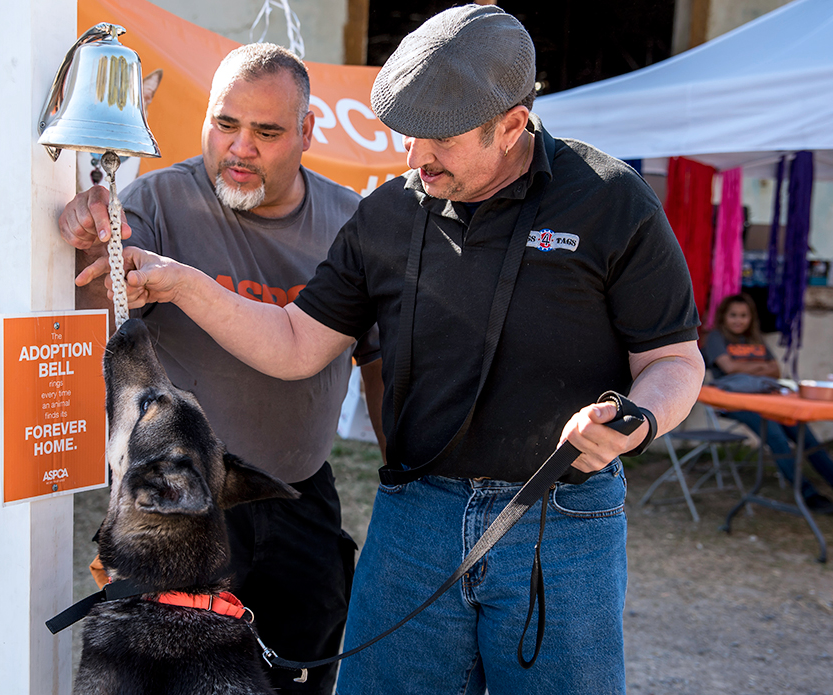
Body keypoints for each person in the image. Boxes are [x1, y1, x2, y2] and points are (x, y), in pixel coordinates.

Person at [106, 6, 706, 694]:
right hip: (415, 516)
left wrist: (637, 418)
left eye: (441, 140)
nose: (417, 158)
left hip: (560, 519)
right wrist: (181, 282)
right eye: (409, 134)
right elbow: (298, 340)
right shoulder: (390, 211)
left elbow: (674, 361)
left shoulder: (610, 202)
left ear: (512, 125)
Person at [59, 43, 384, 694]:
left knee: (300, 670)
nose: (240, 147)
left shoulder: (350, 221)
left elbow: (376, 357)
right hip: (179, 512)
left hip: (296, 494)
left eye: (265, 131)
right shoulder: (157, 200)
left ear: (306, 132)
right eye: (225, 124)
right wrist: (80, 233)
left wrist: (400, 464)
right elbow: (93, 281)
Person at [704, 293, 833, 514]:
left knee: (804, 434)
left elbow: (775, 370)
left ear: (751, 318)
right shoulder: (715, 338)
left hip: (767, 399)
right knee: (775, 436)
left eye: (743, 315)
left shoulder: (756, 339)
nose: (738, 320)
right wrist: (758, 367)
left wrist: (744, 366)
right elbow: (729, 369)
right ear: (723, 317)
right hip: (734, 403)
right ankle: (808, 495)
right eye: (733, 315)